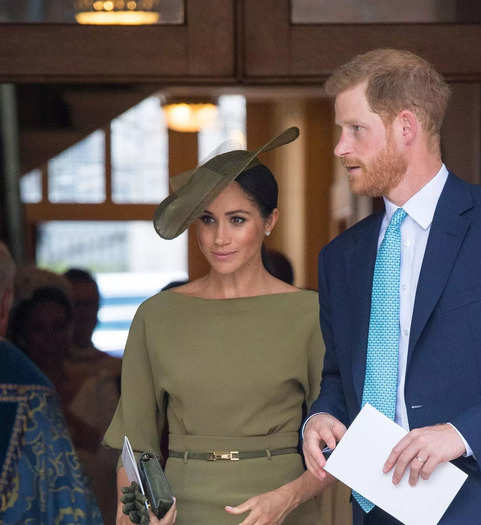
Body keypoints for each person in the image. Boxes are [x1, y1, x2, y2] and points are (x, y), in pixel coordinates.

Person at [301, 49, 481, 525]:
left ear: (405, 127)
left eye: (355, 129)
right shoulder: (340, 257)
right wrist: (320, 417)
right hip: (378, 511)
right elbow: (338, 376)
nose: (340, 147)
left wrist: (461, 433)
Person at [103, 127, 334, 525]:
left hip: (283, 505)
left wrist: (291, 496)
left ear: (269, 221)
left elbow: (339, 440)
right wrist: (135, 519)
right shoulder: (156, 315)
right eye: (207, 220)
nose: (219, 238)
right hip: (181, 508)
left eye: (237, 219)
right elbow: (135, 444)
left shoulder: (310, 313)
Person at [0, 242, 102, 524]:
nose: (50, 338)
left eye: (58, 326)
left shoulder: (104, 382)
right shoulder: (31, 391)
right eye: (39, 328)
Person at [63, 268, 122, 525]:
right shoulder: (39, 375)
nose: (83, 314)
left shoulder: (119, 371)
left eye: (90, 305)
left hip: (103, 502)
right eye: (76, 305)